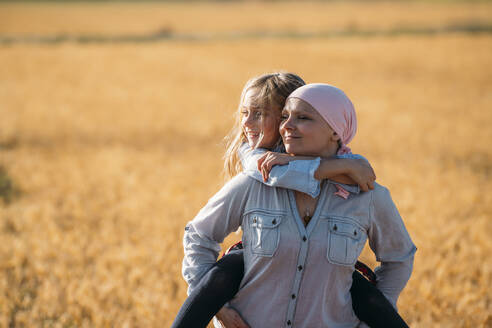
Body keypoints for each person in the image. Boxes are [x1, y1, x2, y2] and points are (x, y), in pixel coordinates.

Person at [176, 78, 416, 327]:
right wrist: (220, 308)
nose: (286, 126)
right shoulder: (256, 181)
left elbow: (399, 259)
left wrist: (370, 317)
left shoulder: (368, 195)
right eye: (284, 117)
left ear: (335, 130)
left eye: (303, 118)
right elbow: (197, 236)